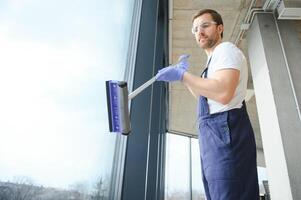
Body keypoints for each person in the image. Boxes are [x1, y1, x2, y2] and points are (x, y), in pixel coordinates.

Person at [156, 9, 259, 200]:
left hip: (227, 134)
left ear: (220, 28)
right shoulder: (211, 63)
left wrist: (183, 75)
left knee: (230, 194)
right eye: (195, 29)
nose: (199, 32)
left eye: (205, 26)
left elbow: (223, 93)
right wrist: (185, 79)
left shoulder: (225, 50)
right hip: (213, 137)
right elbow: (204, 97)